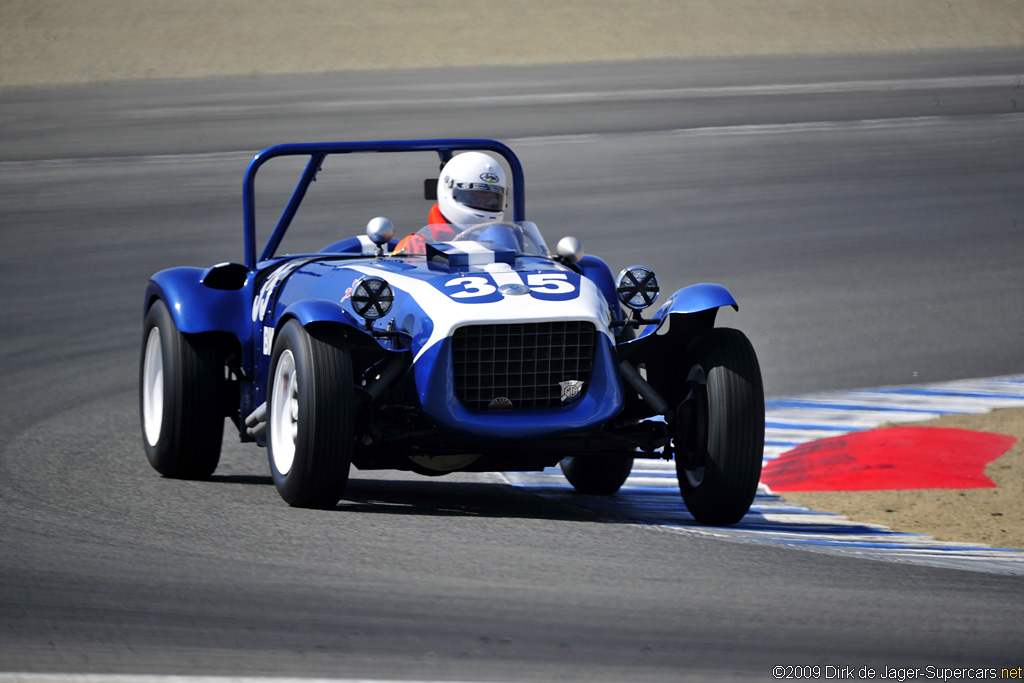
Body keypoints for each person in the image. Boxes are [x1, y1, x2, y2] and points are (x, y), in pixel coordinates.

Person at [394, 152, 507, 255]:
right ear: (449, 190)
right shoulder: (416, 246)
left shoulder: (502, 242)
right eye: (475, 197)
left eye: (490, 201)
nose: (483, 204)